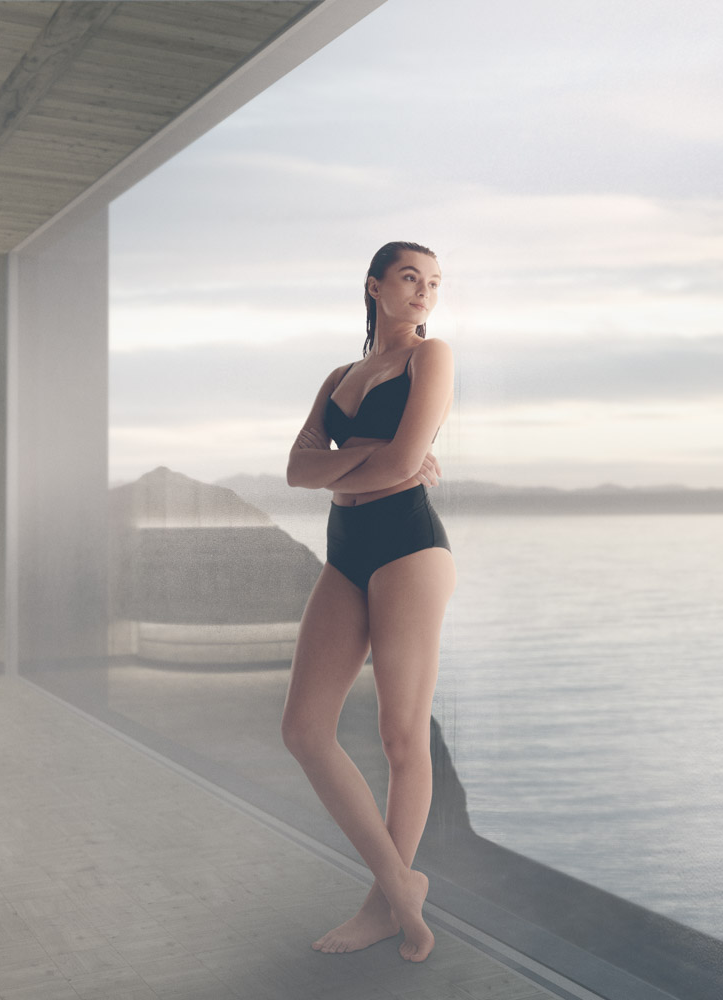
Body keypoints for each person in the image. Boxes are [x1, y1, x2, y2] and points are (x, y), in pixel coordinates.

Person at [281, 241, 456, 963]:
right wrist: (364, 458)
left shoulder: (431, 357)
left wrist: (347, 457)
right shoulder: (341, 375)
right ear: (375, 286)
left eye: (434, 283)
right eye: (410, 278)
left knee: (400, 737)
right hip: (346, 544)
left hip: (410, 545)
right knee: (303, 729)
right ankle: (399, 883)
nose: (424, 293)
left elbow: (400, 463)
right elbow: (295, 471)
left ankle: (380, 907)